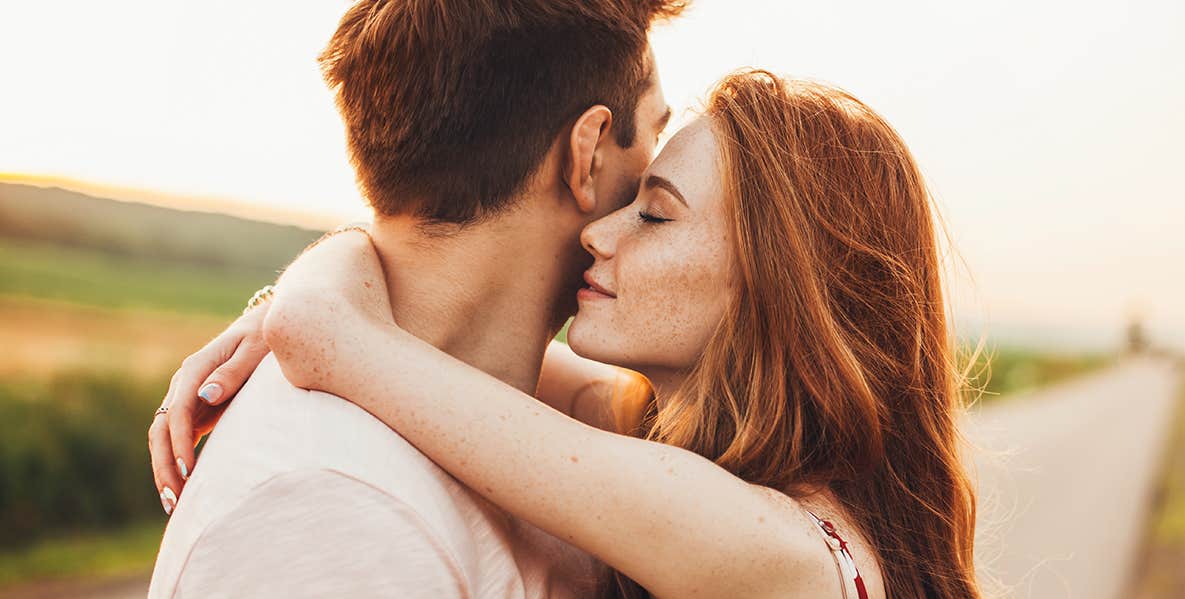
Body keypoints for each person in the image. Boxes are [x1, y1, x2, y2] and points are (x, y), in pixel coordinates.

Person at [153, 70, 985, 597]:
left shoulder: (777, 548)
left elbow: (342, 339)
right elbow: (443, 344)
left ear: (776, 290)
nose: (601, 230)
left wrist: (300, 307)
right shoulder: (656, 442)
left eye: (654, 214)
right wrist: (308, 291)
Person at [146, 0, 684, 596]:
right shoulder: (333, 514)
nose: (658, 170)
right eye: (657, 133)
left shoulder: (532, 420)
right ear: (588, 152)